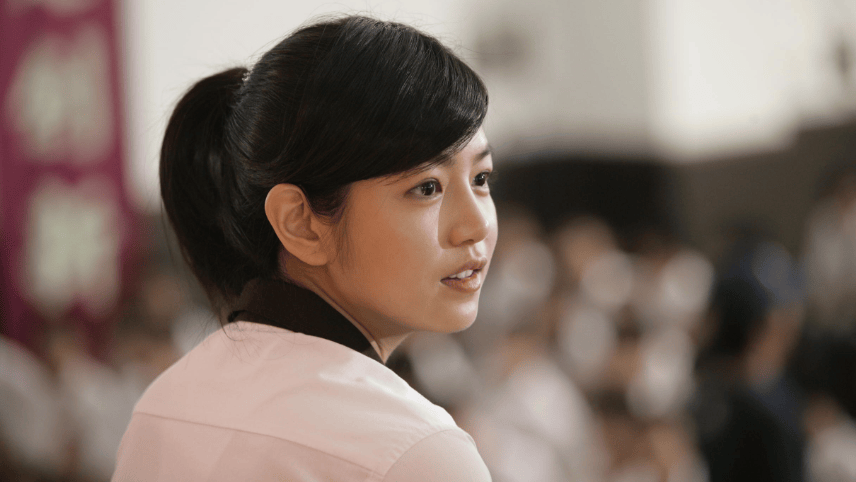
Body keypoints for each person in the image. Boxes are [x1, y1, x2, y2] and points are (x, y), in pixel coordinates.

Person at [111, 15, 497, 481]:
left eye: (481, 178)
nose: (476, 225)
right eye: (427, 188)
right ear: (302, 224)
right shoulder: (416, 452)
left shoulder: (162, 406)